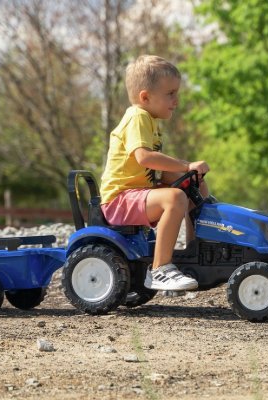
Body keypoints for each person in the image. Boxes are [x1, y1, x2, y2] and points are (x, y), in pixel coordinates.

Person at [100, 55, 210, 291]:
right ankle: (160, 269)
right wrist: (184, 165)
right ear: (145, 97)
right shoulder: (137, 117)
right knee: (175, 197)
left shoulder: (150, 120)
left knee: (195, 184)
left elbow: (151, 170)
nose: (176, 100)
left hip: (138, 193)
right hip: (119, 199)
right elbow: (144, 157)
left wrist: (187, 175)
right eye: (170, 94)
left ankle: (196, 250)